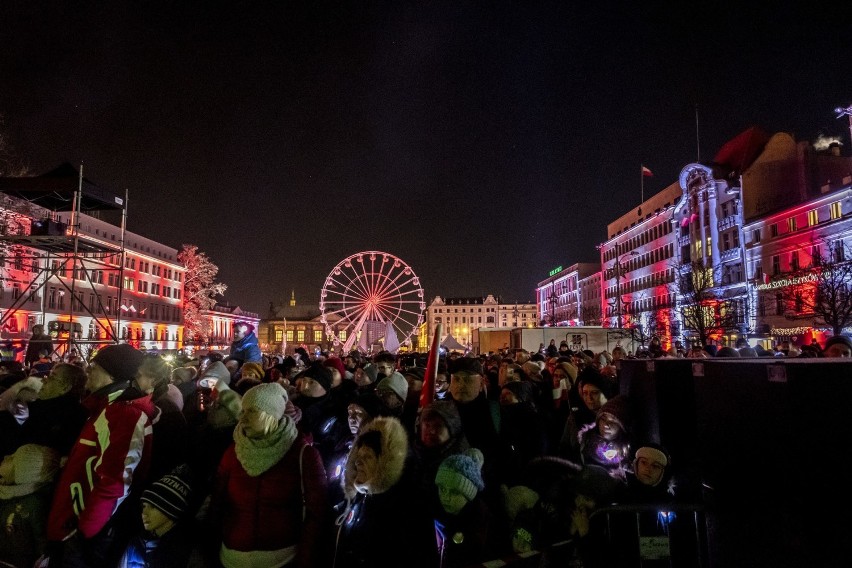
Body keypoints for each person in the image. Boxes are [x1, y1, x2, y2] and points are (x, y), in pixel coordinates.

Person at [46, 343, 153, 568]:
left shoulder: (123, 414)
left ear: (111, 375)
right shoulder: (104, 409)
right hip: (73, 526)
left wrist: (83, 533)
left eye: (93, 367)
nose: (87, 371)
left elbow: (116, 482)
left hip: (84, 536)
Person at [212, 382, 329, 568]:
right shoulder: (233, 452)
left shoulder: (302, 454)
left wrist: (305, 560)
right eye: (242, 411)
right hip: (230, 558)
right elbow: (217, 504)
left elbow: (317, 515)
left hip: (284, 560)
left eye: (252, 411)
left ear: (271, 415)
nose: (243, 418)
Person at [334, 416, 438, 568]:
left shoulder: (410, 507)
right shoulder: (358, 499)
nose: (358, 462)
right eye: (358, 456)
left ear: (385, 463)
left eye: (367, 456)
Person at [118, 465, 202, 568]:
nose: (144, 512)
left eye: (153, 506)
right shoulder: (136, 543)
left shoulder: (186, 556)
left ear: (171, 510)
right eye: (144, 506)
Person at [0, 444, 61, 568]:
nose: (6, 457)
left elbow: (41, 543)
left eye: (13, 459)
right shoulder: (8, 493)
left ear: (26, 473)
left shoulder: (34, 504)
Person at [433, 449, 492, 568]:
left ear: (469, 494)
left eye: (455, 492)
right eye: (442, 489)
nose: (446, 498)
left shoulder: (480, 521)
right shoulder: (432, 509)